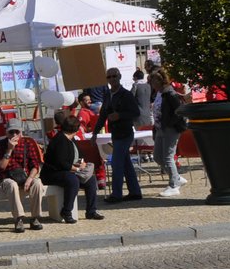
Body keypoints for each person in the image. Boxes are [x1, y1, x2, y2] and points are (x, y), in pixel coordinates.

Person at [94, 67, 142, 203]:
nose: (112, 79)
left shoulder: (126, 94)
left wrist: (120, 115)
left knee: (117, 163)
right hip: (116, 134)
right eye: (109, 77)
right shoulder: (108, 95)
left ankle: (116, 194)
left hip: (125, 133)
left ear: (119, 77)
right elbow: (103, 115)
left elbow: (135, 112)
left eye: (114, 76)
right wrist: (95, 133)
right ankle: (135, 192)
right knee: (125, 163)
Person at [42, 115, 102, 222]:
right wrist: (78, 169)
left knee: (91, 180)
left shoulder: (71, 139)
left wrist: (81, 163)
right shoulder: (60, 140)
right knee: (72, 180)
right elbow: (61, 163)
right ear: (76, 129)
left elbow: (80, 154)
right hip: (53, 173)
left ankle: (91, 211)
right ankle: (66, 211)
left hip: (68, 171)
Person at [0, 127, 45, 233]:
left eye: (17, 132)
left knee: (37, 183)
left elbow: (35, 165)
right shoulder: (1, 144)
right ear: (6, 133)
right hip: (7, 177)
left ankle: (35, 217)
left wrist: (30, 178)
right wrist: (9, 149)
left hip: (24, 176)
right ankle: (18, 219)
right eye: (11, 132)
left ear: (21, 133)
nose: (14, 134)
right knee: (12, 185)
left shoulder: (28, 143)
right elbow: (1, 167)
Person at [151, 71, 188, 197]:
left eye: (153, 80)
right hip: (160, 128)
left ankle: (174, 185)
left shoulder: (170, 93)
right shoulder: (159, 93)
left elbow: (179, 110)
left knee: (168, 157)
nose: (151, 83)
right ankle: (176, 177)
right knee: (157, 156)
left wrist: (170, 124)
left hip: (169, 129)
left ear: (161, 81)